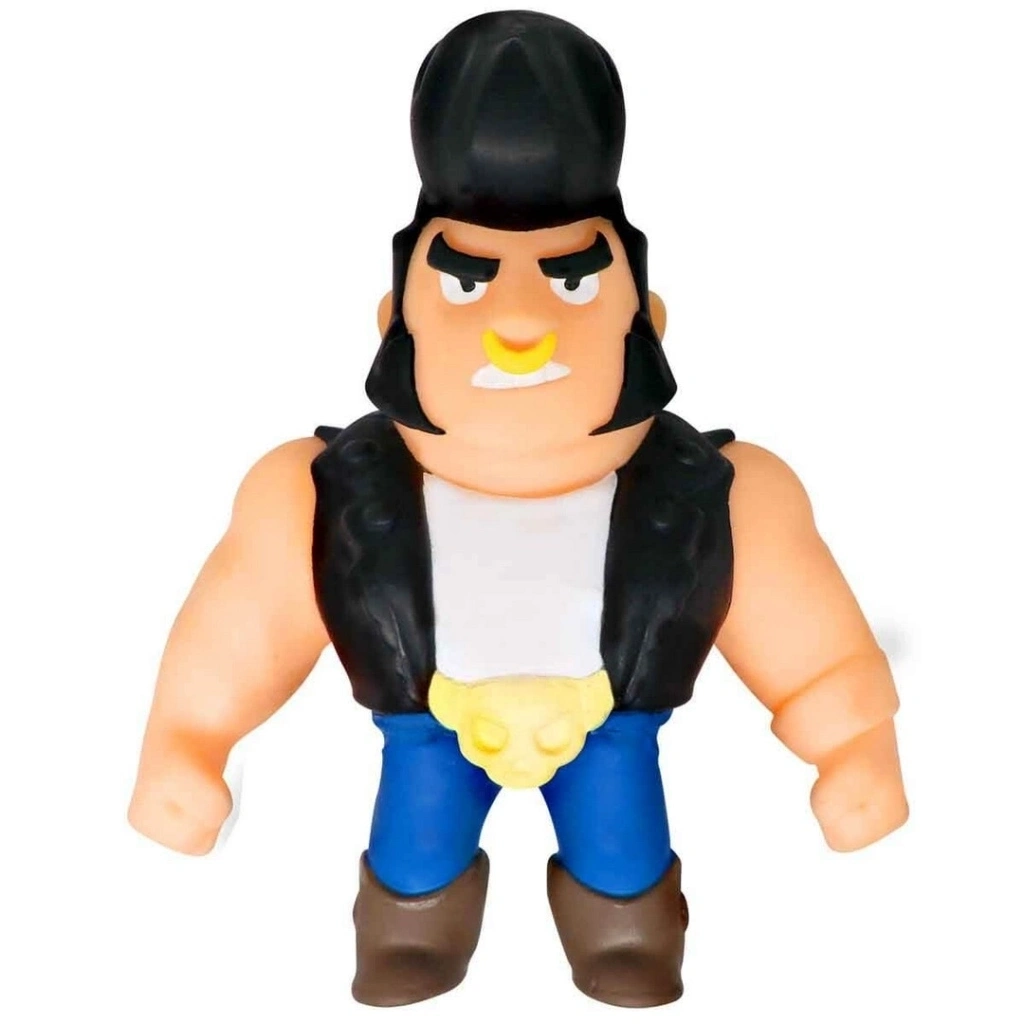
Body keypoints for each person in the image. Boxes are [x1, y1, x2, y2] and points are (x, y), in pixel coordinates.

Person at [128, 11, 909, 1008]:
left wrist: (852, 743)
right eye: (465, 283)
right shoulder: (317, 494)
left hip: (609, 732)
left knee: (621, 855)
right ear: (396, 321)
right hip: (431, 730)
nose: (520, 327)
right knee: (416, 850)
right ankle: (412, 932)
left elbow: (808, 637)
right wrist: (188, 740)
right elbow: (238, 630)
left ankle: (625, 934)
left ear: (645, 320)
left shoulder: (722, 494)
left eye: (574, 282)